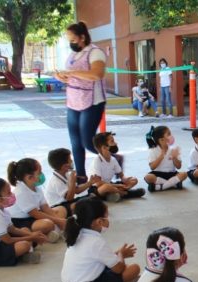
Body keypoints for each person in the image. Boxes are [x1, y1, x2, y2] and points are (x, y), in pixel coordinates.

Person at [54, 22, 107, 181]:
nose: (71, 43)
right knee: (76, 143)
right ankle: (81, 176)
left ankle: (112, 158)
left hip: (93, 102)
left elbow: (96, 74)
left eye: (73, 39)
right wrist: (61, 76)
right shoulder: (73, 55)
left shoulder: (96, 52)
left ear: (82, 37)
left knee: (87, 141)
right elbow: (72, 76)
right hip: (73, 102)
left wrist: (72, 73)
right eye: (68, 40)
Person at [61, 198, 140, 282]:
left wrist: (119, 254)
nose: (108, 220)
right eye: (106, 217)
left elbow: (98, 257)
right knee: (134, 268)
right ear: (99, 222)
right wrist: (121, 254)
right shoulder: (96, 242)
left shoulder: (77, 234)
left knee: (118, 266)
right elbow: (118, 269)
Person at [0, 177, 47, 266]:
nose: (12, 194)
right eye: (9, 193)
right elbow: (8, 240)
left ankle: (24, 254)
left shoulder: (3, 210)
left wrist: (32, 235)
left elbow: (12, 229)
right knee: (24, 244)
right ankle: (25, 253)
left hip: (0, 242)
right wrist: (31, 237)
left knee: (25, 230)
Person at [7, 158, 67, 243]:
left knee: (61, 209)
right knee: (47, 224)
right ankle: (51, 231)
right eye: (39, 173)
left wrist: (59, 221)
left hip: (34, 217)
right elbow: (36, 214)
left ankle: (54, 232)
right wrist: (59, 221)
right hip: (21, 222)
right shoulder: (20, 192)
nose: (42, 174)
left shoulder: (36, 187)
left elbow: (45, 207)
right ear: (30, 177)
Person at [90, 132, 145, 201]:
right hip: (98, 189)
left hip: (111, 185)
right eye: (112, 141)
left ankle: (114, 194)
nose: (116, 143)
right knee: (106, 187)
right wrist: (117, 186)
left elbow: (121, 175)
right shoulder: (97, 161)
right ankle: (126, 194)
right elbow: (98, 183)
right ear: (104, 147)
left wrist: (125, 180)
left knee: (134, 180)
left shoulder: (113, 159)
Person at [45, 148, 96, 215]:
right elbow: (69, 198)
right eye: (70, 160)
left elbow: (76, 190)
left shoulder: (66, 174)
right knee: (85, 204)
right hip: (58, 207)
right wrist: (72, 181)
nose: (72, 161)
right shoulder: (56, 181)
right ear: (64, 166)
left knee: (92, 197)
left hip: (66, 203)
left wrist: (90, 182)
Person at [144, 126, 188, 192]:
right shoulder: (153, 150)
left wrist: (174, 157)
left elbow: (179, 167)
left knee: (184, 174)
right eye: (169, 134)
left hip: (172, 174)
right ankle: (174, 184)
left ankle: (159, 187)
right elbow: (152, 167)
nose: (171, 136)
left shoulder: (174, 148)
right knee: (148, 177)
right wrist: (161, 156)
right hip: (157, 174)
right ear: (161, 139)